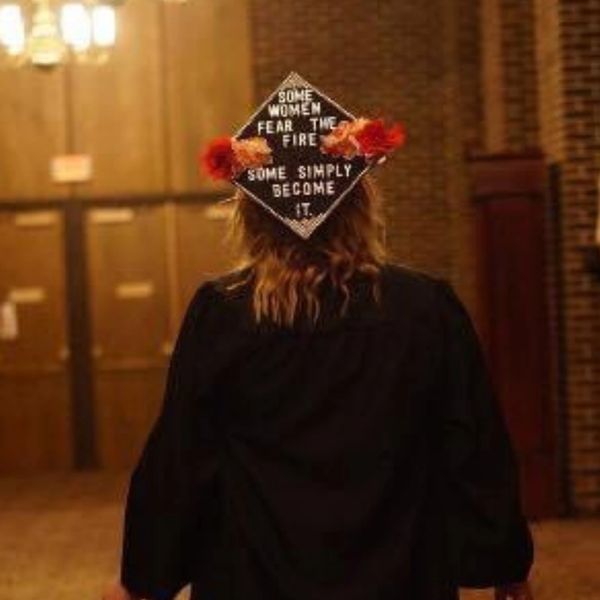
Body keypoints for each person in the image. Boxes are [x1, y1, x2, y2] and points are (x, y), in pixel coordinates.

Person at [103, 72, 534, 600]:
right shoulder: (423, 308)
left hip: (254, 576)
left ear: (251, 215)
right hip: (400, 575)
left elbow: (183, 457)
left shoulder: (222, 313)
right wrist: (503, 559)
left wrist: (148, 577)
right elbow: (471, 443)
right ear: (361, 205)